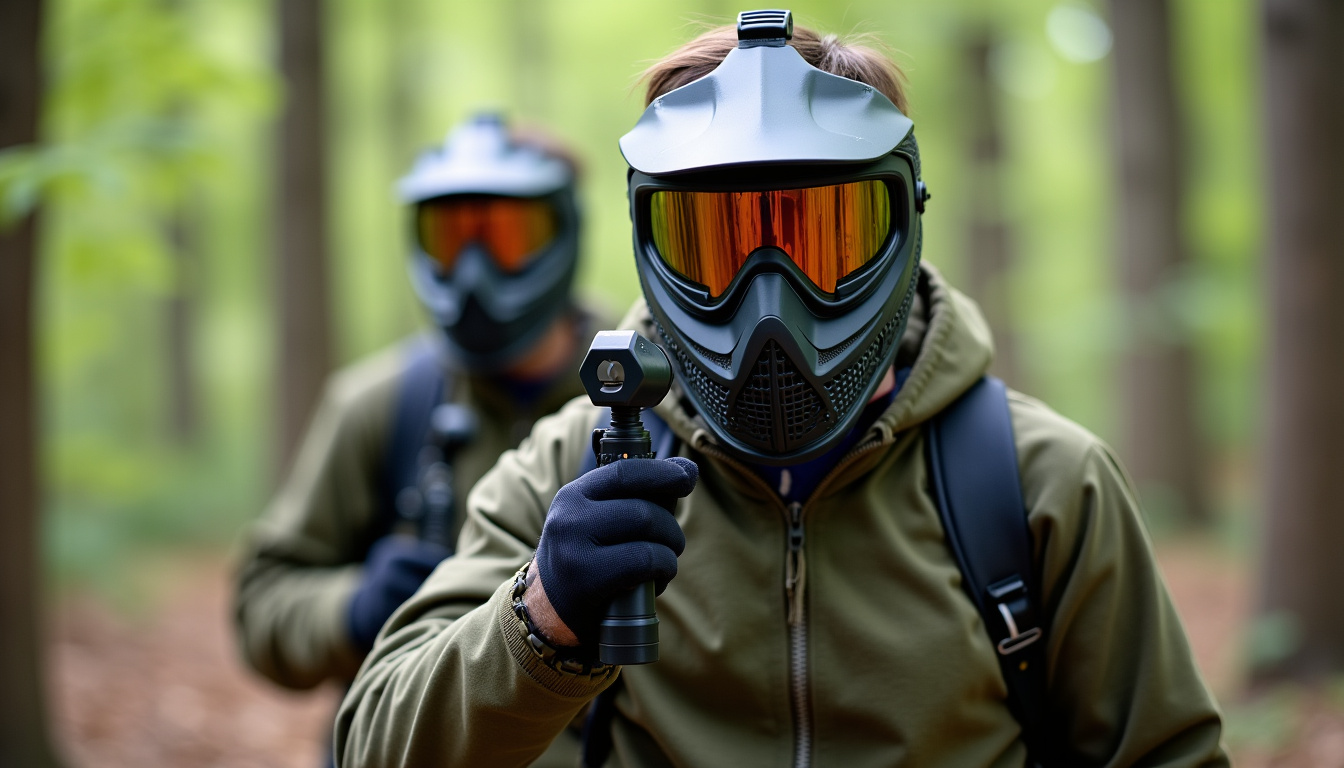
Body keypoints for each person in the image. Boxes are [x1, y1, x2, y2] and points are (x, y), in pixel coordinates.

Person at [333, 13, 1228, 767]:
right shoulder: (572, 469)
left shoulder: (1038, 483)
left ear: (904, 223)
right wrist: (540, 619)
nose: (771, 307)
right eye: (717, 246)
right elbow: (371, 742)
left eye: (823, 239)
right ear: (649, 243)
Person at [233, 114, 608, 767]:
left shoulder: (637, 386)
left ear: (563, 232)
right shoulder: (379, 405)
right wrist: (351, 609)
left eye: (505, 237)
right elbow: (261, 603)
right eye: (451, 238)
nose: (473, 270)